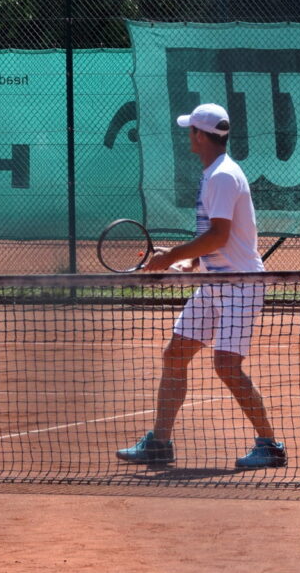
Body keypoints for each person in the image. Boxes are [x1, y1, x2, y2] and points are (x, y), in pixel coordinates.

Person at [115, 103, 286, 469]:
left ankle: (269, 445)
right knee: (175, 354)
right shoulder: (214, 173)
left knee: (226, 365)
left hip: (240, 285)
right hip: (212, 284)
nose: (187, 136)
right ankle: (160, 443)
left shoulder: (223, 176)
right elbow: (214, 237)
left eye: (189, 130)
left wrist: (168, 256)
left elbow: (220, 235)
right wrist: (188, 261)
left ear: (198, 135)